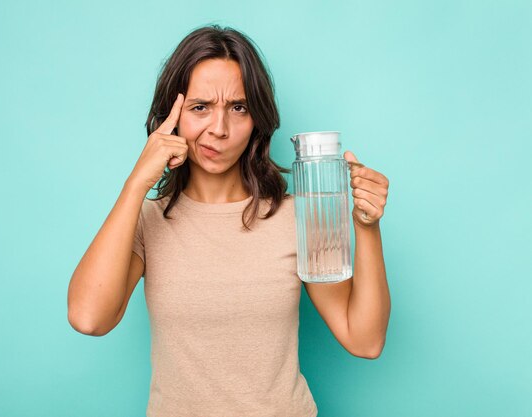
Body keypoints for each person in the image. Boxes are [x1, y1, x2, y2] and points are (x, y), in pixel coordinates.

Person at [67, 24, 391, 417]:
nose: (218, 129)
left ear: (257, 118)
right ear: (172, 116)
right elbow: (88, 318)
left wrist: (367, 226)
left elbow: (365, 339)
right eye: (200, 107)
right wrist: (136, 184)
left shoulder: (296, 217)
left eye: (238, 108)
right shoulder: (146, 222)